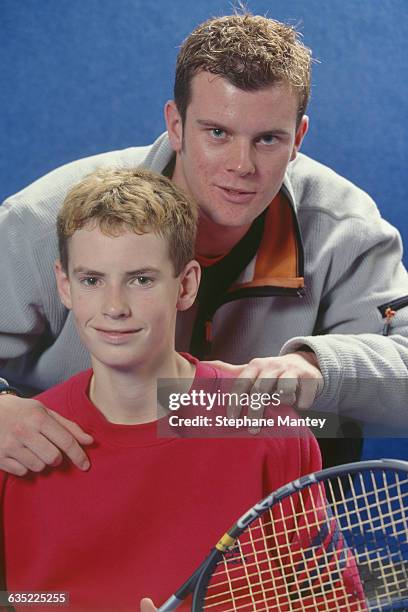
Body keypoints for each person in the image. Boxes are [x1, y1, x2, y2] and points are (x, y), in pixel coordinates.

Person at [1, 12, 408, 477]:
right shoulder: (46, 220)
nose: (242, 165)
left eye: (268, 139)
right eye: (217, 132)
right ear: (176, 125)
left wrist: (319, 370)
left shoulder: (345, 228)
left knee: (321, 422)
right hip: (77, 486)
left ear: (298, 138)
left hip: (264, 518)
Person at [0, 167, 334, 610]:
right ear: (64, 285)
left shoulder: (266, 428)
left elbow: (326, 600)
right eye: (91, 280)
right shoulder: (18, 446)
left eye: (141, 279)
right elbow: (18, 597)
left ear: (186, 285)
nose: (115, 307)